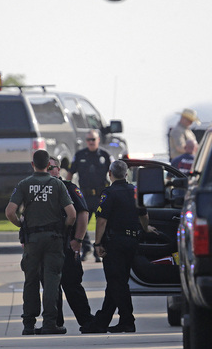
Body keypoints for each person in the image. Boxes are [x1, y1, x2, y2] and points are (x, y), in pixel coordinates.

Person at [6, 149, 76, 335]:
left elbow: (10, 212)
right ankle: (50, 323)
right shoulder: (57, 185)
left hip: (32, 240)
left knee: (31, 280)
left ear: (32, 165)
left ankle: (29, 323)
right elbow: (72, 214)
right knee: (52, 279)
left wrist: (21, 225)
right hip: (54, 238)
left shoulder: (24, 185)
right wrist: (64, 229)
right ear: (48, 165)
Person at [80, 160, 149, 334]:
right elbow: (144, 215)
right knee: (116, 282)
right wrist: (146, 229)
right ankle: (101, 322)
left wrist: (97, 244)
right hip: (132, 242)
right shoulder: (135, 191)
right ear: (126, 174)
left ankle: (127, 320)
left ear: (110, 174)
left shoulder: (109, 193)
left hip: (115, 243)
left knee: (117, 283)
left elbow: (101, 221)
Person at [47, 156, 93, 329]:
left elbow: (82, 213)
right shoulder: (37, 189)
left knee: (72, 284)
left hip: (67, 244)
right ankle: (55, 324)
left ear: (59, 170)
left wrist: (78, 240)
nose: (49, 171)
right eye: (45, 168)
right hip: (47, 247)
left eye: (52, 168)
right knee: (51, 288)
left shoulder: (69, 188)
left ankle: (86, 321)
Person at [66, 129, 113, 261]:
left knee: (102, 222)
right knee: (81, 221)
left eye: (93, 139)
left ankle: (99, 250)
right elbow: (70, 172)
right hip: (84, 195)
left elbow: (113, 173)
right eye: (88, 140)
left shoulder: (105, 155)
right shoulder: (80, 155)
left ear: (98, 140)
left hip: (100, 196)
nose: (91, 142)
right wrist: (65, 188)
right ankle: (86, 248)